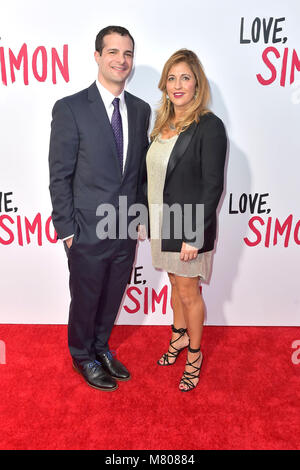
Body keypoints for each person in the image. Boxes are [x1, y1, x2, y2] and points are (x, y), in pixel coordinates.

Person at [49, 26, 151, 391]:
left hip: (124, 229)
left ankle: (101, 346)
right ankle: (82, 355)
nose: (121, 60)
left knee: (113, 293)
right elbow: (59, 175)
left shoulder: (140, 110)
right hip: (86, 229)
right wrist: (67, 230)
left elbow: (137, 172)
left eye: (127, 54)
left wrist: (138, 217)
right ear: (97, 56)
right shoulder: (71, 108)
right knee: (87, 294)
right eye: (113, 52)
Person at [141, 49, 227, 391]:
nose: (178, 85)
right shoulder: (162, 124)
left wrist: (194, 234)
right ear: (165, 84)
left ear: (197, 84)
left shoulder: (209, 126)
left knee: (189, 292)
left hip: (187, 225)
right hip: (162, 223)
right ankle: (178, 336)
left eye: (185, 78)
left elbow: (213, 185)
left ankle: (194, 354)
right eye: (172, 78)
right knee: (176, 286)